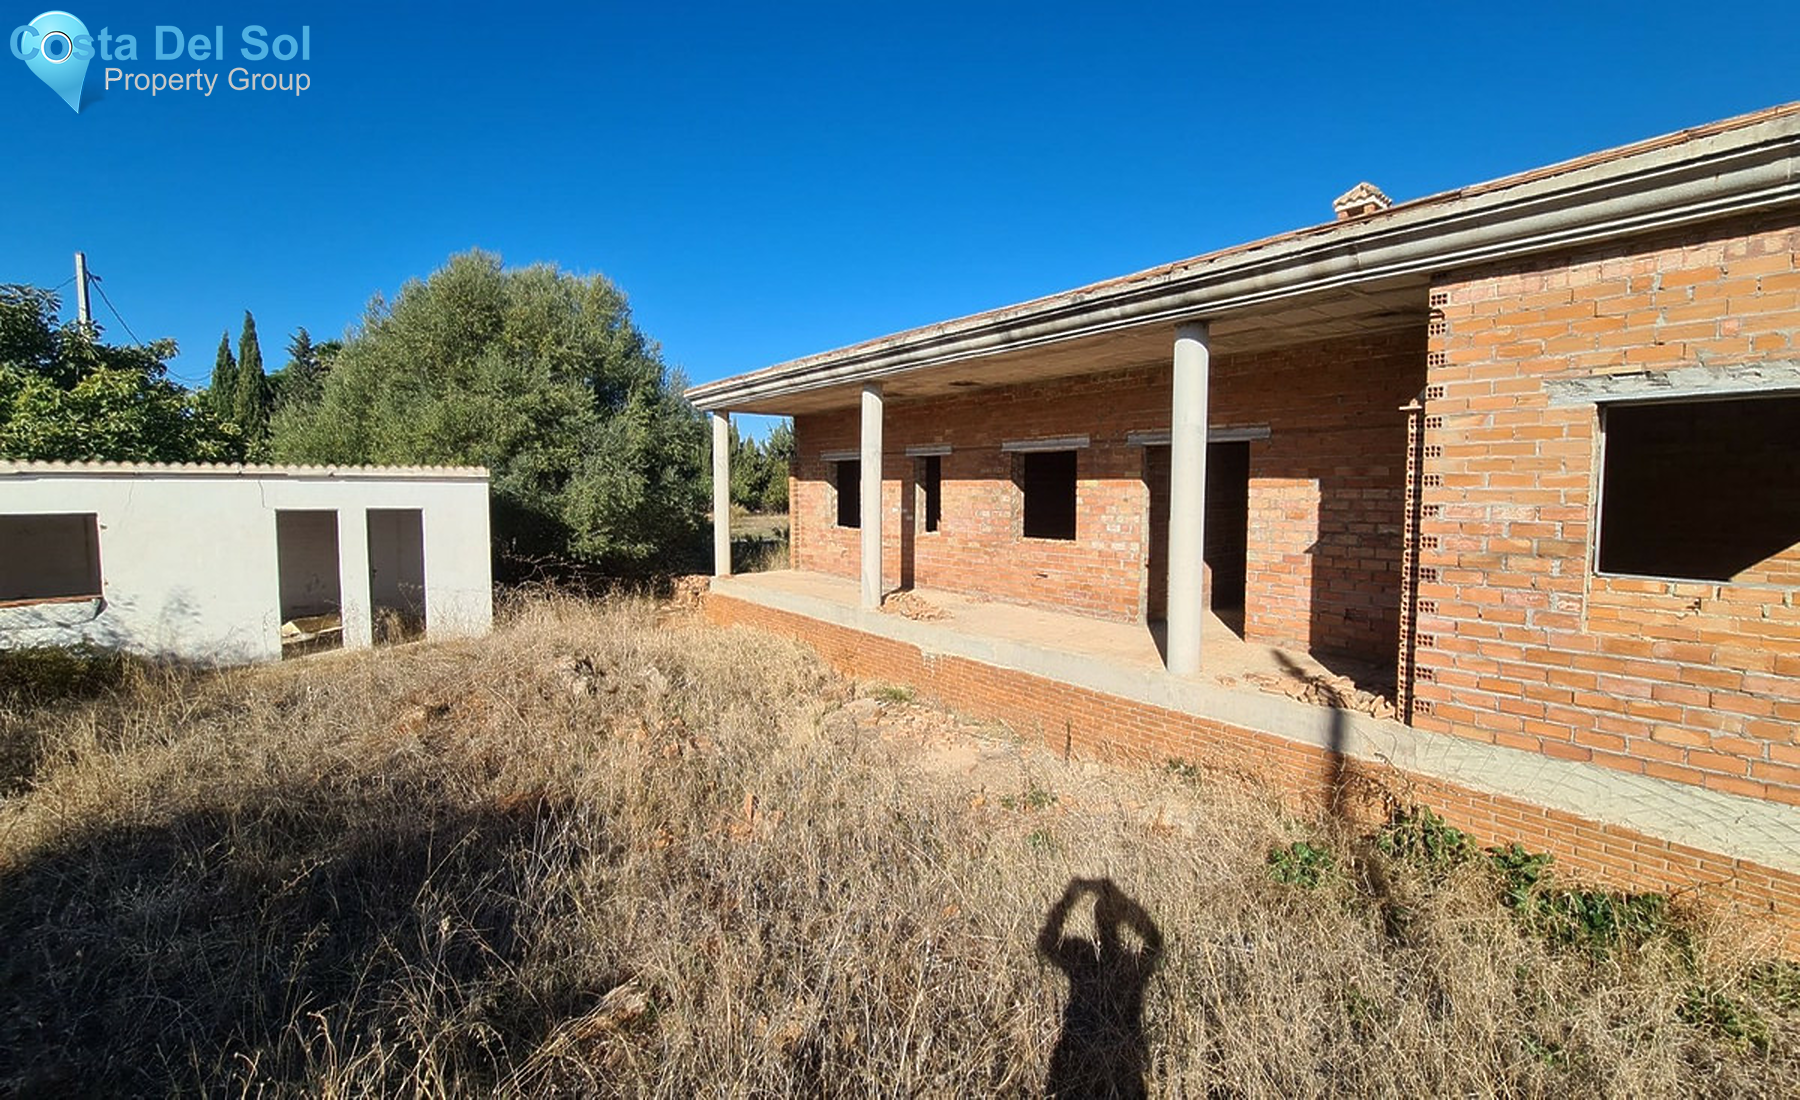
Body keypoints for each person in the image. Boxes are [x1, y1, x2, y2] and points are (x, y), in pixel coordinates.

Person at [1038, 877, 1163, 1099]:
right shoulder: (1131, 965)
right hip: (1124, 1064)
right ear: (1121, 924)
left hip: (1080, 1058)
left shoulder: (1082, 957)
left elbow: (1047, 942)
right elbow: (1154, 941)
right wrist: (1126, 906)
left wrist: (1070, 897)